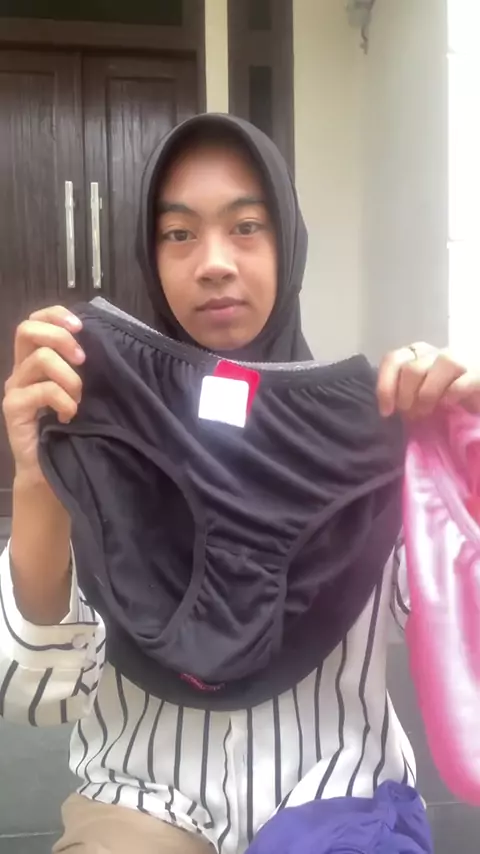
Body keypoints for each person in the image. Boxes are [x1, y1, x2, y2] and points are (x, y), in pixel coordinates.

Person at [0, 113, 479, 854]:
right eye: (179, 233)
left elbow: (458, 637)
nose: (214, 263)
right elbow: (35, 698)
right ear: (149, 255)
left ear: (289, 243)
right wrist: (38, 477)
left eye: (247, 227)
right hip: (140, 801)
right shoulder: (97, 423)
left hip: (338, 797)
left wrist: (463, 462)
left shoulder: (377, 424)